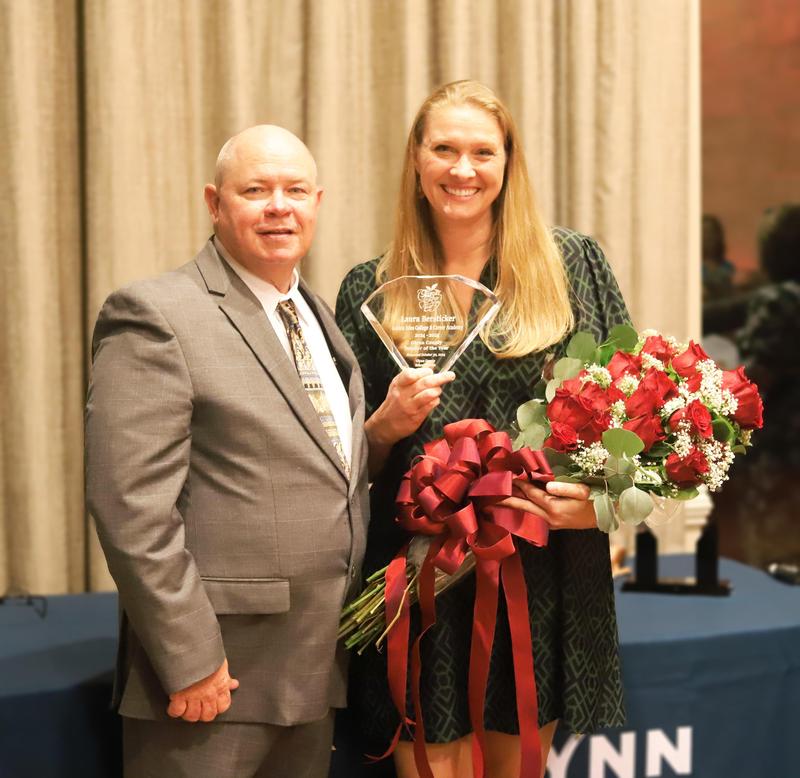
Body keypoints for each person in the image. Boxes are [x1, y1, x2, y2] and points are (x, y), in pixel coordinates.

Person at [335, 81, 629, 778]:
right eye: (444, 148)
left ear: (508, 162)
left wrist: (601, 503)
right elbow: (331, 461)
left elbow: (635, 422)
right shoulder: (366, 289)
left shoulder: (572, 266)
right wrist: (381, 427)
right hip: (418, 581)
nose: (462, 170)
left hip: (541, 572)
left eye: (481, 152)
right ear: (415, 157)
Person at [85, 125, 369, 778]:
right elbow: (129, 505)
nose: (279, 205)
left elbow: (320, 467)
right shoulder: (156, 315)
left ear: (318, 202)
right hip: (215, 683)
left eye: (295, 190)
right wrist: (190, 660)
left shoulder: (316, 315)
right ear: (215, 203)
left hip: (312, 670)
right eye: (256, 189)